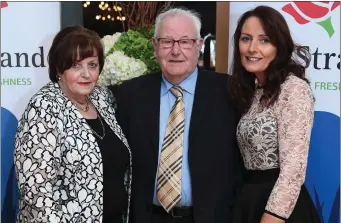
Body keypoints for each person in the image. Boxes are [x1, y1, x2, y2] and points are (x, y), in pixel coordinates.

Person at [110, 8, 243, 223]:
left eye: (185, 42)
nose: (175, 50)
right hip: (148, 217)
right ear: (155, 46)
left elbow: (241, 164)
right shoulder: (130, 95)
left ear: (198, 46)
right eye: (167, 41)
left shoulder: (229, 92)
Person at [14, 26, 132, 223]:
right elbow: (36, 191)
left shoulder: (102, 98)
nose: (86, 74)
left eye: (92, 65)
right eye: (76, 66)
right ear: (59, 68)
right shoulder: (44, 107)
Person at [228, 5, 321, 223]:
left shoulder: (293, 89)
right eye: (246, 38)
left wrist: (272, 218)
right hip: (249, 202)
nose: (252, 48)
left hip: (280, 211)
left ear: (279, 46)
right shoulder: (250, 92)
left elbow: (293, 172)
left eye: (264, 40)